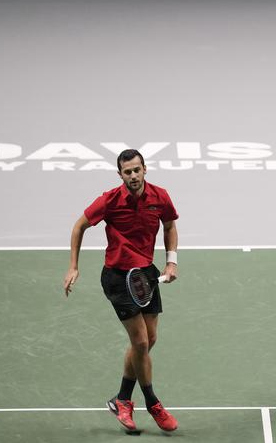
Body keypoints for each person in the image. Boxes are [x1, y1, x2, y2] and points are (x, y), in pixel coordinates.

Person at [63, 149, 180, 432]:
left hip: (146, 274)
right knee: (140, 343)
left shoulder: (160, 196)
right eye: (127, 172)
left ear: (145, 169)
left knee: (149, 340)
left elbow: (169, 225)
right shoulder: (110, 200)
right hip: (117, 277)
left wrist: (171, 261)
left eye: (137, 170)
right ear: (120, 175)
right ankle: (153, 403)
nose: (133, 176)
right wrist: (73, 266)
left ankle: (122, 399)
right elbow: (79, 226)